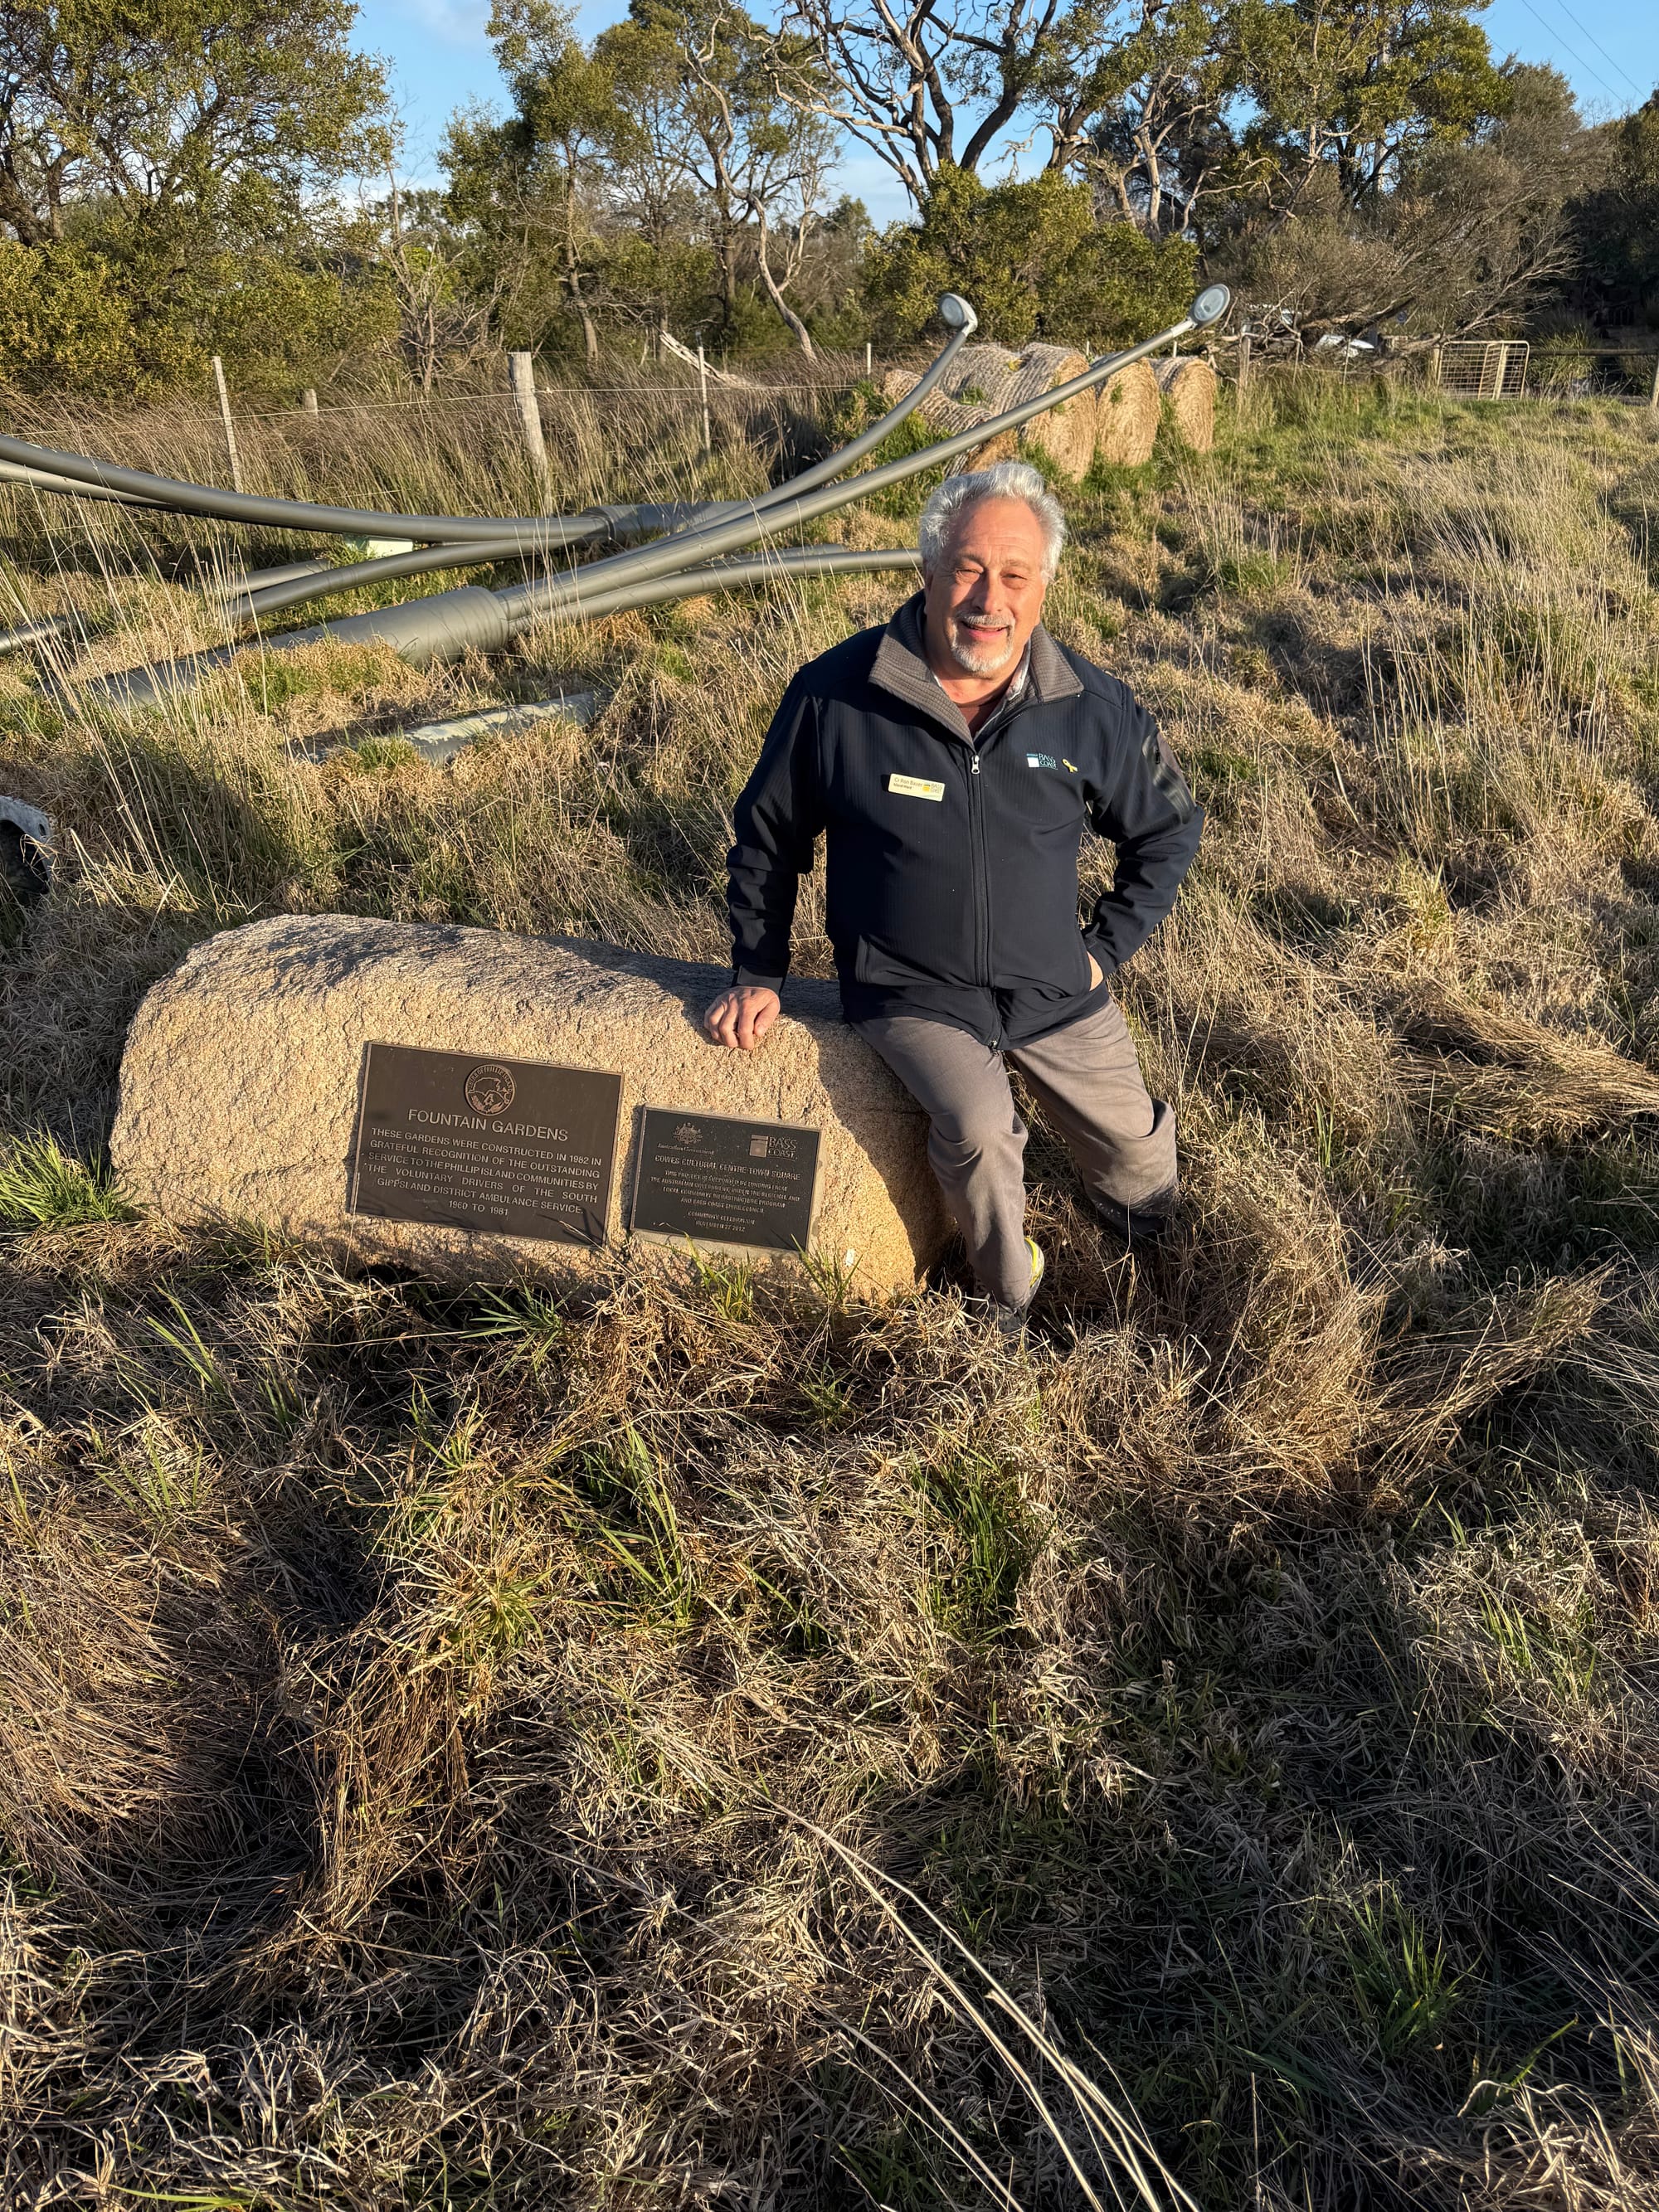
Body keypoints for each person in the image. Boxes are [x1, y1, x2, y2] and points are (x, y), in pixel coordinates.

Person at [703, 459, 1202, 1330]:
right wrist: (758, 969)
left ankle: (1158, 1254)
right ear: (927, 570)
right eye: (968, 569)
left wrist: (1101, 951)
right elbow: (768, 835)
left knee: (1132, 1149)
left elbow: (1167, 830)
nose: (988, 599)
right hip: (910, 987)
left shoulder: (1091, 704)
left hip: (1053, 982)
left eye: (1015, 576)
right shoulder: (836, 694)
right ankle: (1008, 1308)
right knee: (979, 1131)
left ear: (1043, 587)